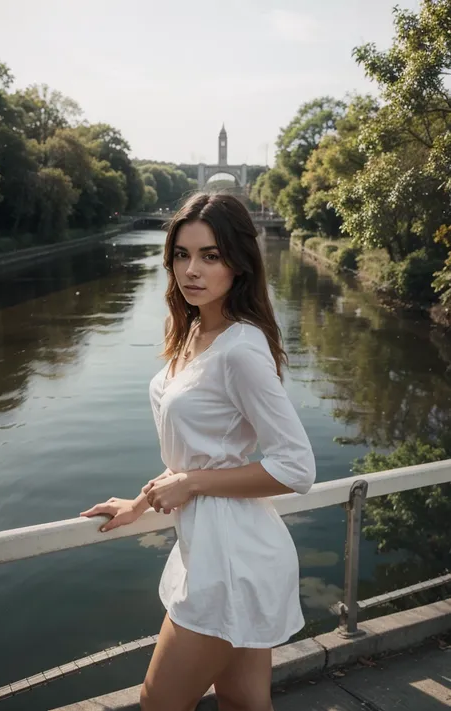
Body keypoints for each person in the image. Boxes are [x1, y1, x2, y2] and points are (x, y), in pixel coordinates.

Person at [80, 192, 316, 711]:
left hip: (233, 560)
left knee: (158, 701)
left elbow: (297, 467)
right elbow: (194, 455)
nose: (192, 270)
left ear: (239, 263)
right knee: (242, 701)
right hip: (216, 548)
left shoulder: (241, 348)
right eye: (182, 255)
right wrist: (141, 502)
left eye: (210, 256)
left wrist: (192, 484)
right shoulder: (190, 333)